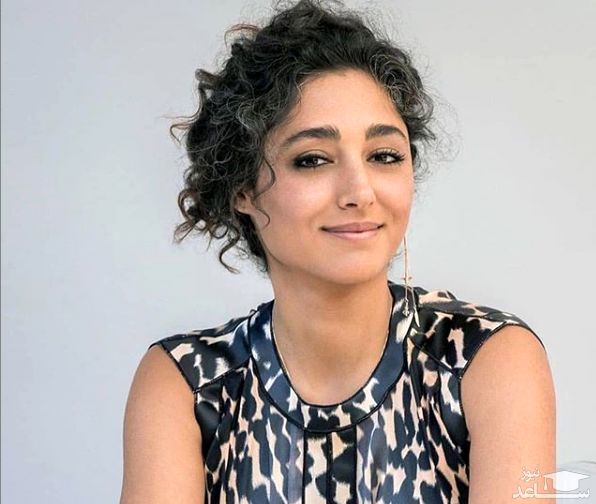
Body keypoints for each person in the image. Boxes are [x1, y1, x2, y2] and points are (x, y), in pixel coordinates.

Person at [119, 1, 556, 502]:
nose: (360, 191)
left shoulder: (484, 358)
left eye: (384, 155)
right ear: (242, 188)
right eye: (313, 160)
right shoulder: (188, 383)